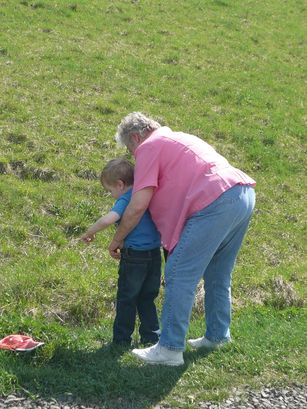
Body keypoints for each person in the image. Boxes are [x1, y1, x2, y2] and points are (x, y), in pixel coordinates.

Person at [108, 112, 256, 366]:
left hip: (214, 202)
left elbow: (137, 205)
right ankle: (218, 336)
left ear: (135, 137)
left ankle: (169, 349)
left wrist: (117, 239)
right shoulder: (178, 138)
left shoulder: (149, 148)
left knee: (178, 273)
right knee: (218, 274)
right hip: (241, 194)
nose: (134, 156)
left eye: (130, 149)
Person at [81, 158, 161, 346]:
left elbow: (109, 219)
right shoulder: (145, 193)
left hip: (134, 257)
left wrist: (89, 232)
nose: (111, 195)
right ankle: (151, 337)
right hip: (155, 254)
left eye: (110, 191)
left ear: (120, 184)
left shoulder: (127, 198)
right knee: (147, 297)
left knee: (127, 297)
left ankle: (121, 340)